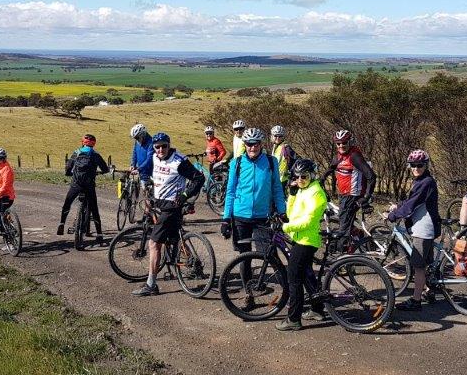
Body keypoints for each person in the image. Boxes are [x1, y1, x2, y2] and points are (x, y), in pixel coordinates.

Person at [221, 127, 287, 309]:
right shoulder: (237, 163)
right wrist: (226, 219)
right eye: (249, 144)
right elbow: (231, 191)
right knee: (244, 257)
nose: (252, 147)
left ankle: (288, 293)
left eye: (255, 144)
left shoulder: (271, 162)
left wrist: (282, 211)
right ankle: (248, 294)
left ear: (261, 144)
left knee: (271, 255)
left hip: (262, 218)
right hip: (240, 216)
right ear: (245, 145)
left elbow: (277, 189)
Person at [132, 132, 205, 296]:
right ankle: (193, 263)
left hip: (172, 206)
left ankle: (151, 284)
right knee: (173, 239)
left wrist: (185, 195)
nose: (160, 149)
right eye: (157, 147)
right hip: (160, 203)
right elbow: (155, 176)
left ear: (169, 144)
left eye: (164, 146)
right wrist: (149, 192)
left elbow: (199, 178)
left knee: (153, 244)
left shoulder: (178, 161)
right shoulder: (154, 158)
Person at [276, 159, 329, 331]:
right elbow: (292, 214)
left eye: (304, 177)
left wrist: (285, 227)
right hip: (299, 238)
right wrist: (291, 194)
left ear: (312, 175)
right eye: (296, 177)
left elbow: (308, 221)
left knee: (294, 278)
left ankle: (294, 319)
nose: (299, 180)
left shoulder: (317, 193)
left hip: (307, 241)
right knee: (306, 275)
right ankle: (317, 309)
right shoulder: (302, 190)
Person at [385, 149, 440, 310]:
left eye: (420, 165)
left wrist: (393, 216)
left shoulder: (426, 182)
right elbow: (411, 201)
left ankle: (416, 301)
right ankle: (429, 290)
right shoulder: (421, 181)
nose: (416, 168)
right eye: (413, 165)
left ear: (426, 165)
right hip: (423, 227)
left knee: (418, 267)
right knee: (425, 263)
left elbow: (411, 205)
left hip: (424, 229)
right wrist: (398, 207)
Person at [320, 130, 375, 240]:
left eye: (344, 143)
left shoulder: (354, 156)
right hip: (343, 194)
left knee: (343, 226)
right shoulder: (339, 155)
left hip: (352, 195)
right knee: (345, 220)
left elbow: (371, 176)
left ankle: (345, 252)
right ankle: (356, 235)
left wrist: (366, 197)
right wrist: (320, 179)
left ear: (350, 142)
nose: (341, 146)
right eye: (338, 143)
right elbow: (331, 167)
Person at [57, 133, 110, 243]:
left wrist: (68, 173)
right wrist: (100, 172)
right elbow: (105, 169)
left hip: (76, 183)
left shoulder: (77, 152)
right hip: (89, 184)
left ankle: (62, 223)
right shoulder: (95, 155)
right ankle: (99, 233)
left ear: (82, 142)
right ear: (94, 144)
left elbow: (68, 166)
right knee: (94, 208)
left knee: (67, 203)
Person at [129, 123, 154, 197]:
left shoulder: (151, 143)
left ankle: (149, 208)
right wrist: (133, 164)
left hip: (149, 173)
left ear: (142, 135)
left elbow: (149, 159)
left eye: (137, 137)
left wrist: (139, 169)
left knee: (148, 196)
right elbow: (135, 153)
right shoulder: (138, 141)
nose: (136, 139)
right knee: (145, 194)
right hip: (142, 172)